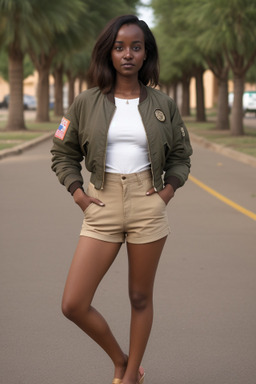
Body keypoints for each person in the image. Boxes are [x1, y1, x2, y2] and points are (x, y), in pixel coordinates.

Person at [51, 14, 192, 384]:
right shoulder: (85, 102)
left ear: (146, 54)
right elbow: (61, 152)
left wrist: (166, 192)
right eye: (119, 47)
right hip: (101, 202)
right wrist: (79, 194)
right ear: (109, 53)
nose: (127, 54)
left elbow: (181, 154)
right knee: (73, 304)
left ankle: (130, 376)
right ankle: (120, 358)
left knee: (140, 297)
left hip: (148, 203)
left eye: (135, 46)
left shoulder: (164, 103)